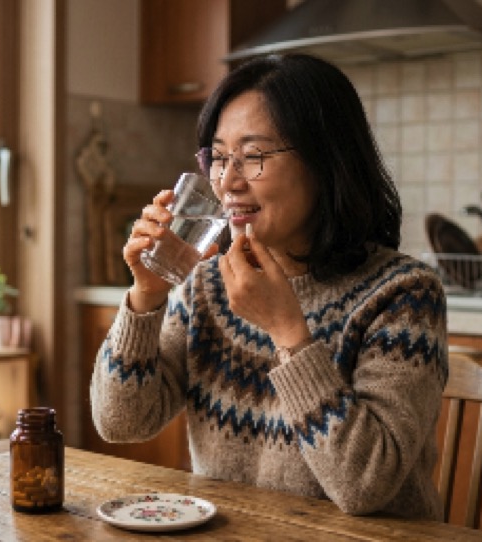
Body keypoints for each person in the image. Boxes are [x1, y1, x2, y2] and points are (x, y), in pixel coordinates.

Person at [89, 53, 448, 520]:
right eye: (219, 157)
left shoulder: (405, 294)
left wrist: (287, 330)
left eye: (254, 156)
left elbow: (364, 486)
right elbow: (122, 423)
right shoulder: (207, 285)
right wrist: (147, 296)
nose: (227, 182)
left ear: (325, 161)